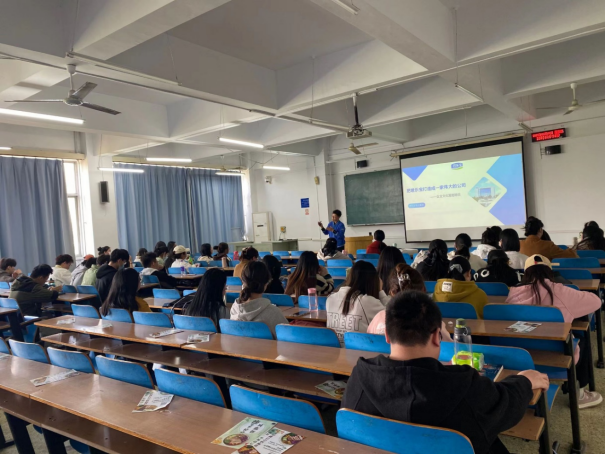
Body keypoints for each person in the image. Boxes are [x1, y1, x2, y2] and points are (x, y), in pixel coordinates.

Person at [342, 290, 547, 454]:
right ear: (436, 336)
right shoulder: (464, 385)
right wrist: (524, 381)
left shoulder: (359, 378)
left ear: (387, 335)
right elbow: (506, 405)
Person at [506, 254, 602, 408]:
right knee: (581, 339)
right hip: (558, 353)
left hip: (520, 354)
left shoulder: (513, 292)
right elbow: (596, 302)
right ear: (550, 272)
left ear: (525, 273)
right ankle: (579, 395)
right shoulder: (560, 290)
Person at [326, 261, 389, 345]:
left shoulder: (330, 299)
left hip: (334, 351)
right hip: (360, 350)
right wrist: (380, 291)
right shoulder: (367, 302)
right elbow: (391, 314)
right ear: (373, 281)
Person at [230, 261, 288, 338]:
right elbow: (288, 336)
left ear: (243, 281)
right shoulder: (273, 313)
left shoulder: (234, 309)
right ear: (266, 284)